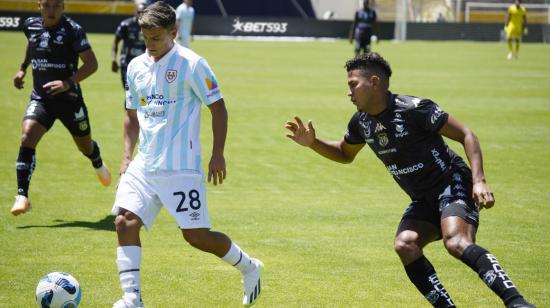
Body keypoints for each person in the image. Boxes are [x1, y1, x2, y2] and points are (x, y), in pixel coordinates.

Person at [285, 53, 535, 308]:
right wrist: (313, 143)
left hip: (452, 181)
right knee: (405, 245)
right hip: (423, 198)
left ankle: (517, 303)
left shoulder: (414, 109)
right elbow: (344, 153)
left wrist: (479, 180)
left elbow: (466, 134)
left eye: (353, 85)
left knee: (456, 242)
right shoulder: (361, 122)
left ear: (373, 82)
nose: (349, 92)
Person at [112, 2, 263, 307]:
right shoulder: (135, 67)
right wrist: (127, 156)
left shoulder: (192, 64)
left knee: (196, 236)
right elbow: (131, 115)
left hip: (180, 167)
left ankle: (250, 266)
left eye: (157, 38)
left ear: (174, 31)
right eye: (146, 38)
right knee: (124, 222)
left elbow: (218, 109)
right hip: (144, 164)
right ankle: (132, 299)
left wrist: (217, 154)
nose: (150, 45)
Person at [11, 0, 111, 216]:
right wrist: (22, 69)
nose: (51, 10)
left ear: (63, 7)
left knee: (85, 146)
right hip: (42, 98)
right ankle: (22, 196)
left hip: (69, 100)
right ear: (39, 6)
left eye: (57, 5)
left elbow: (91, 64)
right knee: (27, 137)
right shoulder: (30, 25)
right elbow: (32, 44)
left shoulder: (73, 30)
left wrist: (67, 83)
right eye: (47, 5)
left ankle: (97, 161)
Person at [112, 1, 146, 97]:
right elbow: (116, 41)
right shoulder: (126, 25)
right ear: (135, 12)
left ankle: (141, 110)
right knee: (130, 93)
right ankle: (130, 111)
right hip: (127, 64)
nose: (141, 15)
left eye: (143, 12)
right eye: (139, 12)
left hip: (143, 65)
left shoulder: (149, 27)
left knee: (141, 93)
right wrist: (114, 59)